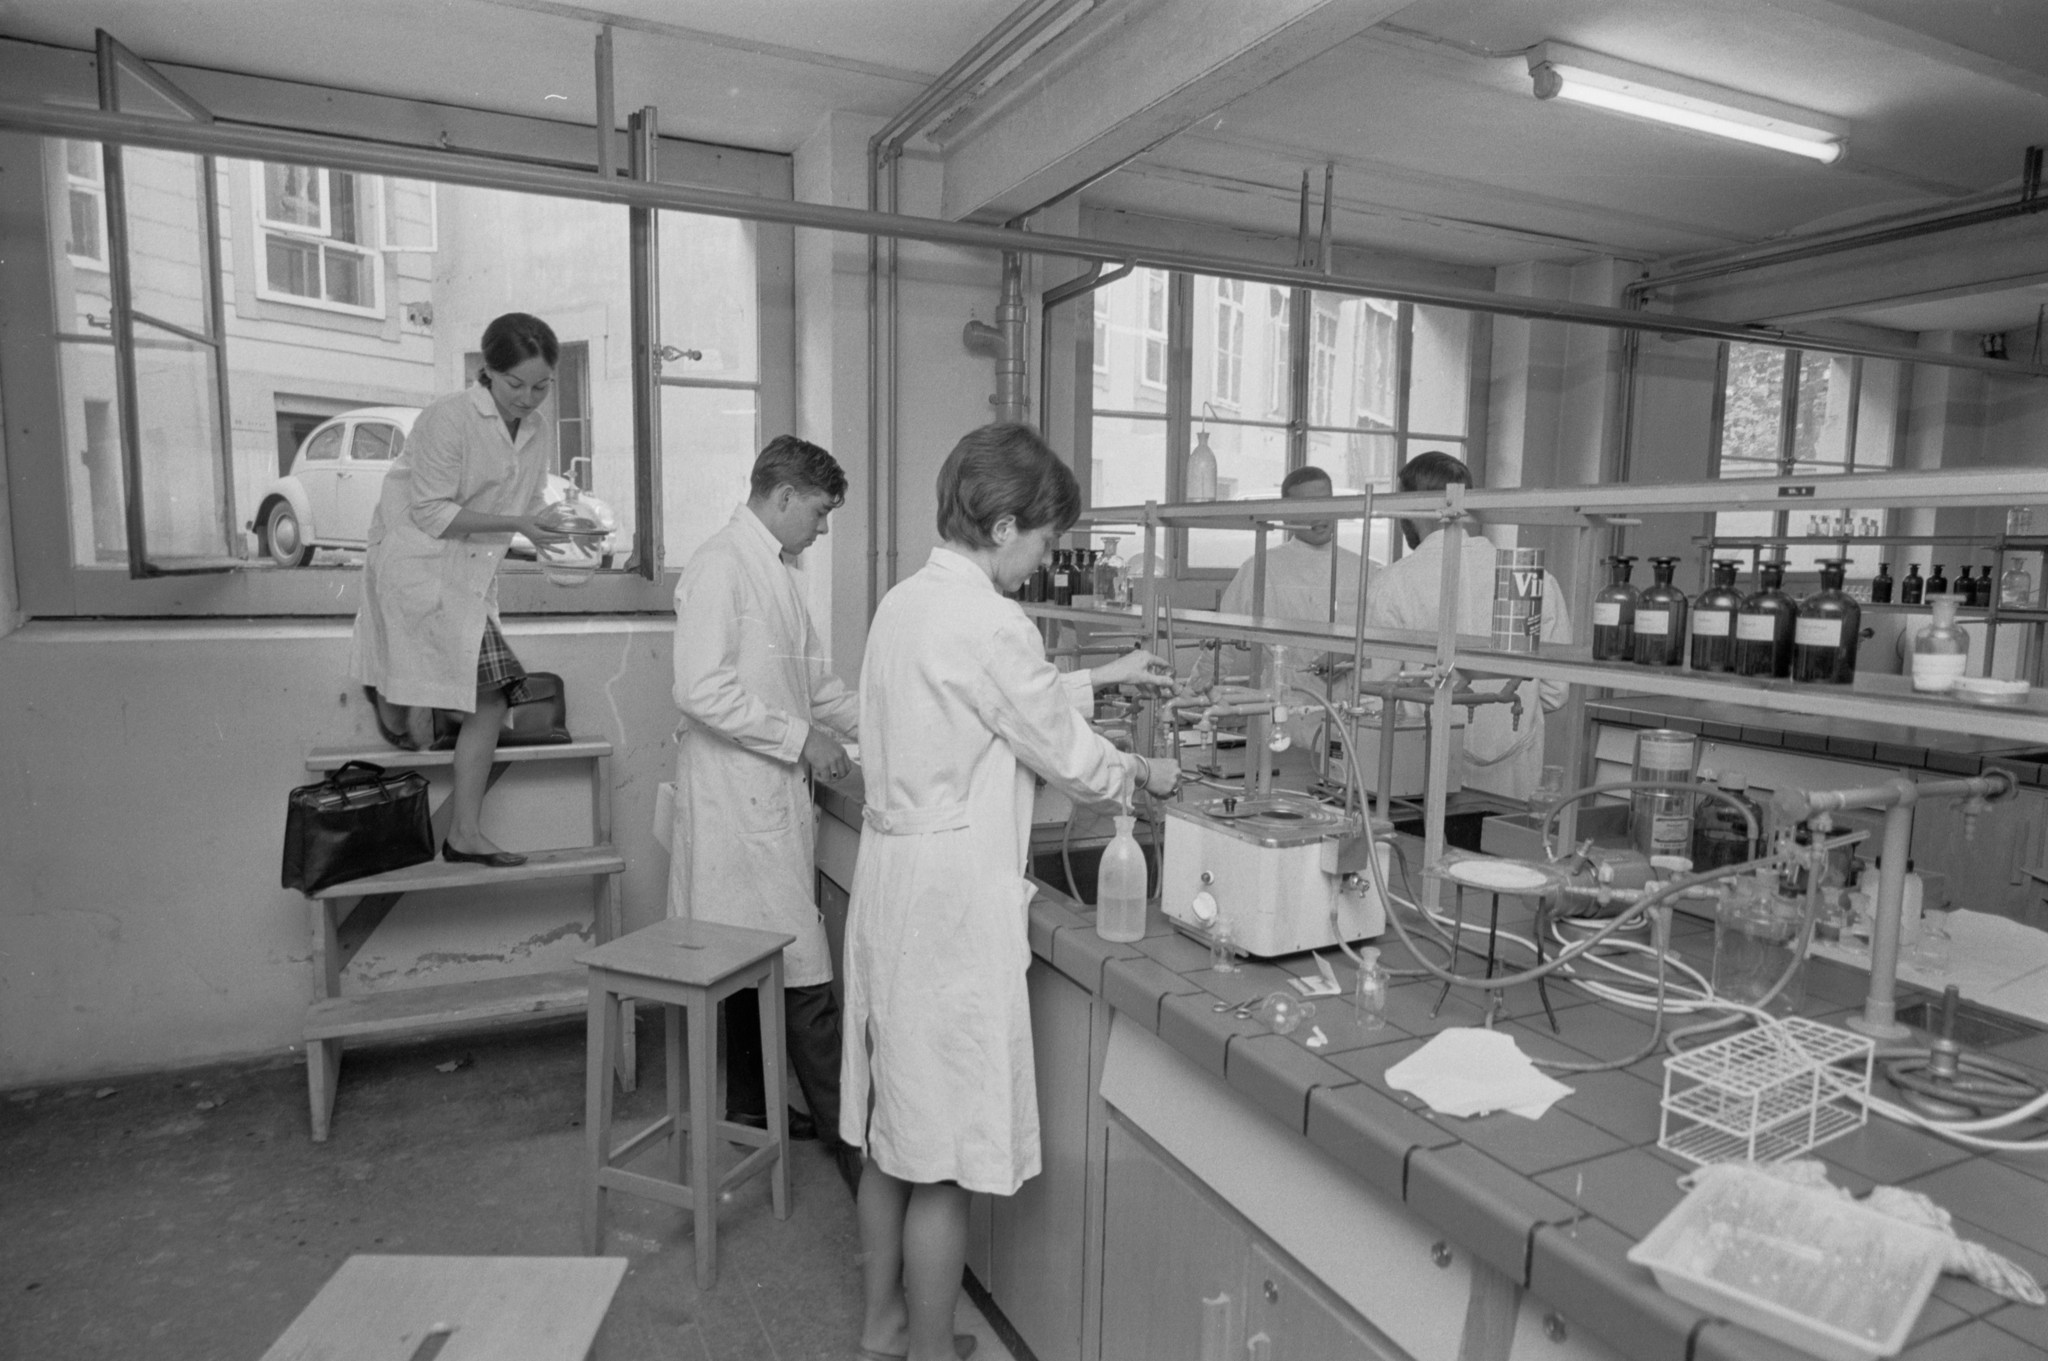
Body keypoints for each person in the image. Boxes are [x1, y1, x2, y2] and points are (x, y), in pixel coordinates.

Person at [842, 424, 1179, 1361]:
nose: (1045, 557)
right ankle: (928, 1349)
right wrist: (1143, 773)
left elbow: (999, 700)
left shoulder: (906, 602)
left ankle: (880, 1323)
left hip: (892, 882)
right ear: (1002, 527)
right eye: (1044, 538)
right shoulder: (994, 622)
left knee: (891, 1129)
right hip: (948, 901)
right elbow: (1066, 755)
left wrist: (1101, 677)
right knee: (944, 1158)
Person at [669, 435, 864, 1195]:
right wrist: (800, 739)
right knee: (801, 969)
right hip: (736, 800)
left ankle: (752, 1112)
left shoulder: (779, 572)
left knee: (756, 962)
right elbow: (699, 689)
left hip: (767, 797)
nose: (823, 527)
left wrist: (887, 721)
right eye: (818, 511)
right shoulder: (721, 564)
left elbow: (817, 689)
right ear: (782, 497)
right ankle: (857, 1147)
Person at [350, 312, 572, 867]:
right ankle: (397, 701)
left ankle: (463, 833)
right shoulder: (448, 417)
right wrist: (519, 525)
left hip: (467, 577)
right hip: (417, 565)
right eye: (515, 384)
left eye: (541, 387)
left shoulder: (537, 429)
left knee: (489, 699)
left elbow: (529, 501)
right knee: (483, 693)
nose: (528, 399)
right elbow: (430, 513)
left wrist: (561, 527)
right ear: (487, 371)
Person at [1362, 450, 1571, 801]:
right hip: (1514, 782)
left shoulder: (1393, 583)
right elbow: (1555, 692)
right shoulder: (1532, 579)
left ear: (1412, 507)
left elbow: (1376, 697)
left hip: (1424, 777)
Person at [1217, 464, 1371, 752]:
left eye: (1326, 503)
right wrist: (1198, 696)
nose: (1319, 515)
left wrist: (1350, 655)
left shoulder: (1365, 570)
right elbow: (1220, 645)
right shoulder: (1260, 568)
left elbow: (1382, 647)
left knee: (1340, 772)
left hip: (1345, 709)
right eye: (1307, 506)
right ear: (1286, 513)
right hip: (1281, 706)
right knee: (1281, 773)